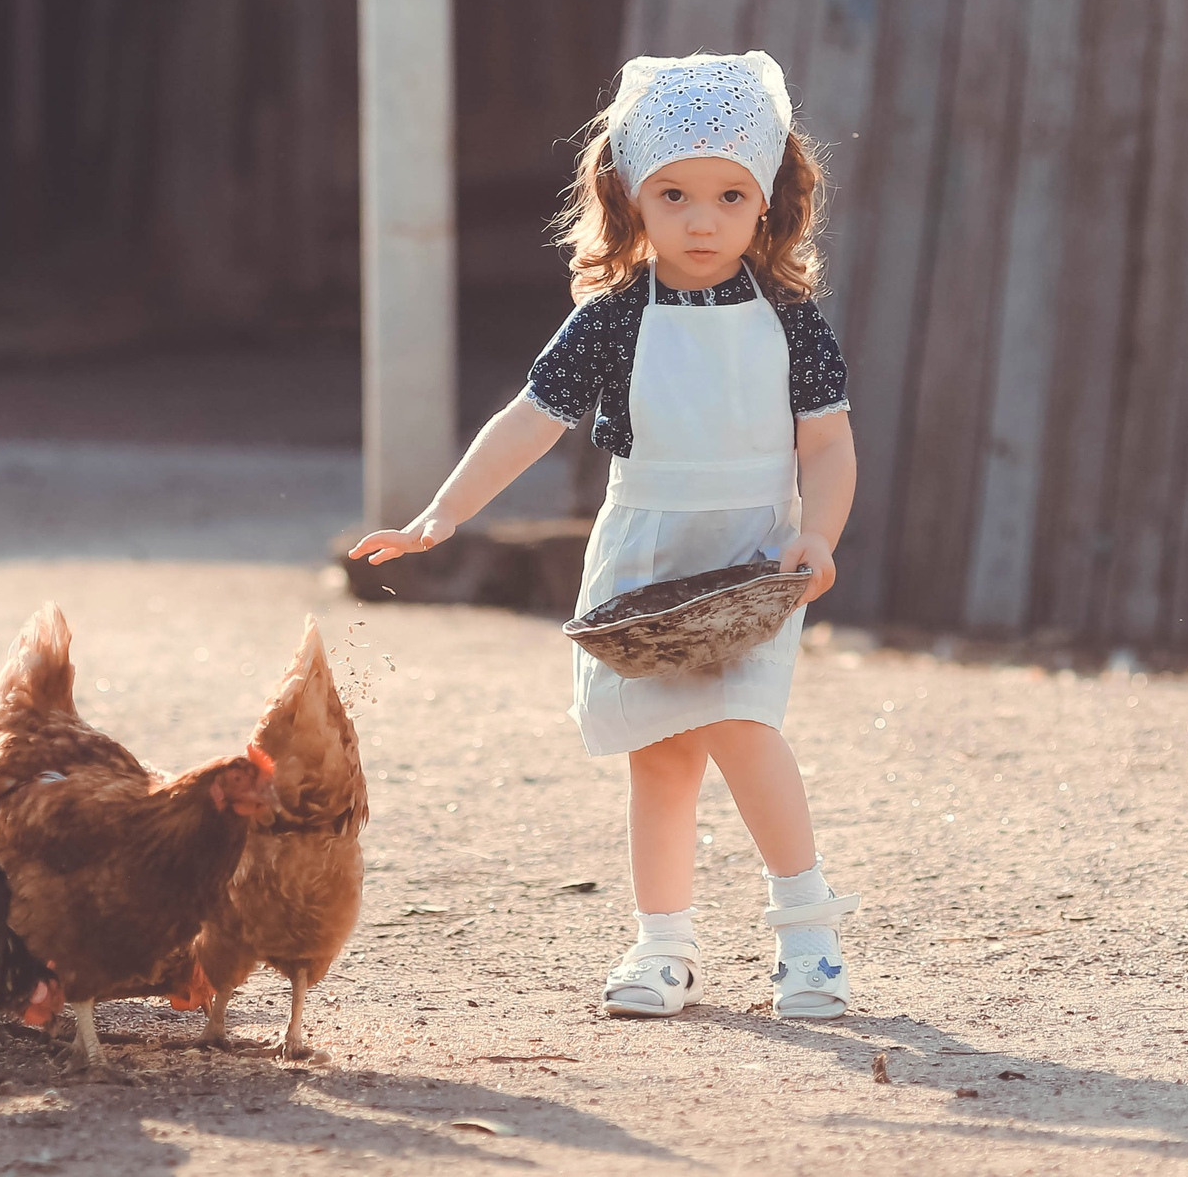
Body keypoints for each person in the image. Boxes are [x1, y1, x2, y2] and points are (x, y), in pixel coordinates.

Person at [351, 51, 860, 1020]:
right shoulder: (610, 318)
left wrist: (821, 536)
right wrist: (443, 511)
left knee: (744, 732)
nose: (700, 218)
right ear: (629, 197)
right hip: (644, 555)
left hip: (752, 559)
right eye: (673, 194)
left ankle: (808, 936)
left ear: (769, 201)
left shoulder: (794, 322)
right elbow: (528, 420)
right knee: (659, 753)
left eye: (726, 194)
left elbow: (829, 446)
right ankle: (661, 942)